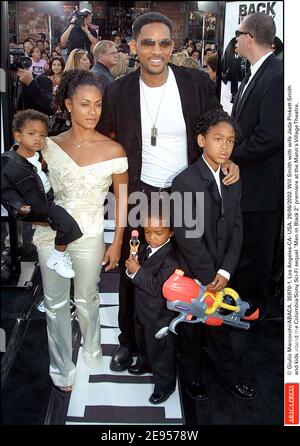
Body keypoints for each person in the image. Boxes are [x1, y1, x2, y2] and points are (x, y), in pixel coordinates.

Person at [96, 11, 240, 373]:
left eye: (163, 43)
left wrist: (229, 160)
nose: (155, 50)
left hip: (189, 193)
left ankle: (190, 348)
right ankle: (130, 342)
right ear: (134, 47)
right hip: (139, 193)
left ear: (172, 46)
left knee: (191, 270)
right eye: (147, 43)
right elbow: (108, 144)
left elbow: (217, 126)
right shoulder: (117, 91)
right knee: (134, 271)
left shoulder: (195, 83)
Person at [31, 70, 128, 391]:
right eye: (84, 104)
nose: (92, 112)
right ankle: (61, 368)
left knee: (87, 298)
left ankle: (92, 350)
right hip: (50, 236)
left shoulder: (115, 150)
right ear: (68, 105)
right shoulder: (48, 146)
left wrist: (117, 243)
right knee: (55, 303)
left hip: (89, 235)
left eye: (98, 105)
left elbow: (124, 203)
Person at [171, 108, 256, 400]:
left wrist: (225, 272)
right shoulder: (184, 182)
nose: (225, 146)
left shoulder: (232, 178)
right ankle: (191, 376)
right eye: (217, 139)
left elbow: (237, 227)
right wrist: (208, 275)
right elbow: (186, 236)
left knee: (220, 326)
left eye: (231, 141)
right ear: (201, 140)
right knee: (192, 329)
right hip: (195, 274)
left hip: (221, 273)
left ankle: (226, 375)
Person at [231, 12, 283, 316]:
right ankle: (244, 308)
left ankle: (252, 314)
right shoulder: (259, 71)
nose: (235, 39)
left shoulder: (275, 76)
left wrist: (230, 153)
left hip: (263, 187)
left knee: (257, 255)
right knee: (247, 251)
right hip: (250, 184)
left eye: (238, 33)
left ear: (248, 37)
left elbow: (270, 136)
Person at [1, 109, 83, 279]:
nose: (38, 139)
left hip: (46, 198)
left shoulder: (37, 157)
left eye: (42, 135)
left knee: (72, 220)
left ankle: (59, 255)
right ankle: (57, 258)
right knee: (69, 226)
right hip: (37, 205)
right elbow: (6, 190)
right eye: (32, 133)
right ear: (18, 136)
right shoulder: (11, 163)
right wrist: (19, 207)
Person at [125, 206, 178, 404]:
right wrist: (132, 270)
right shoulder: (144, 248)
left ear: (171, 232)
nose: (151, 237)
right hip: (142, 310)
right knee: (143, 342)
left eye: (158, 232)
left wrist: (137, 271)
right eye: (147, 231)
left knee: (161, 351)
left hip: (159, 315)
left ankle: (165, 385)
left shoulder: (171, 258)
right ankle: (145, 364)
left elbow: (159, 288)